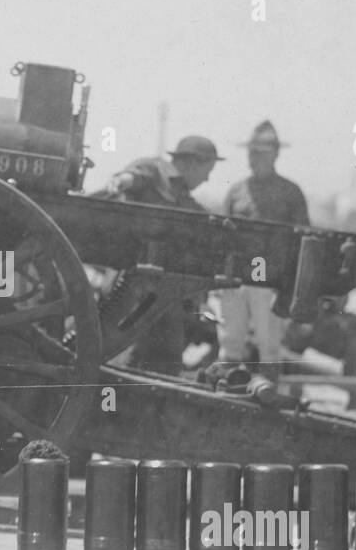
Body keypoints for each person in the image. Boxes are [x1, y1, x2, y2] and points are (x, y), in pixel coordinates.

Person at [107, 134, 224, 374]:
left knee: (164, 358)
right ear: (193, 162)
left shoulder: (184, 197)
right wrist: (122, 181)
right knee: (127, 351)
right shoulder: (155, 170)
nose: (208, 178)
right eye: (207, 170)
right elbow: (134, 177)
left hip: (164, 290)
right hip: (135, 286)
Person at [216, 120, 310, 380]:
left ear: (275, 155)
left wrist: (292, 284)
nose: (253, 159)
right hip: (236, 277)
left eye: (260, 153)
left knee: (269, 343)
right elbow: (221, 236)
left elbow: (304, 240)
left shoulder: (290, 193)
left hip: (270, 279)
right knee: (231, 339)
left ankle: (268, 396)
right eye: (251, 152)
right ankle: (227, 391)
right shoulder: (236, 191)